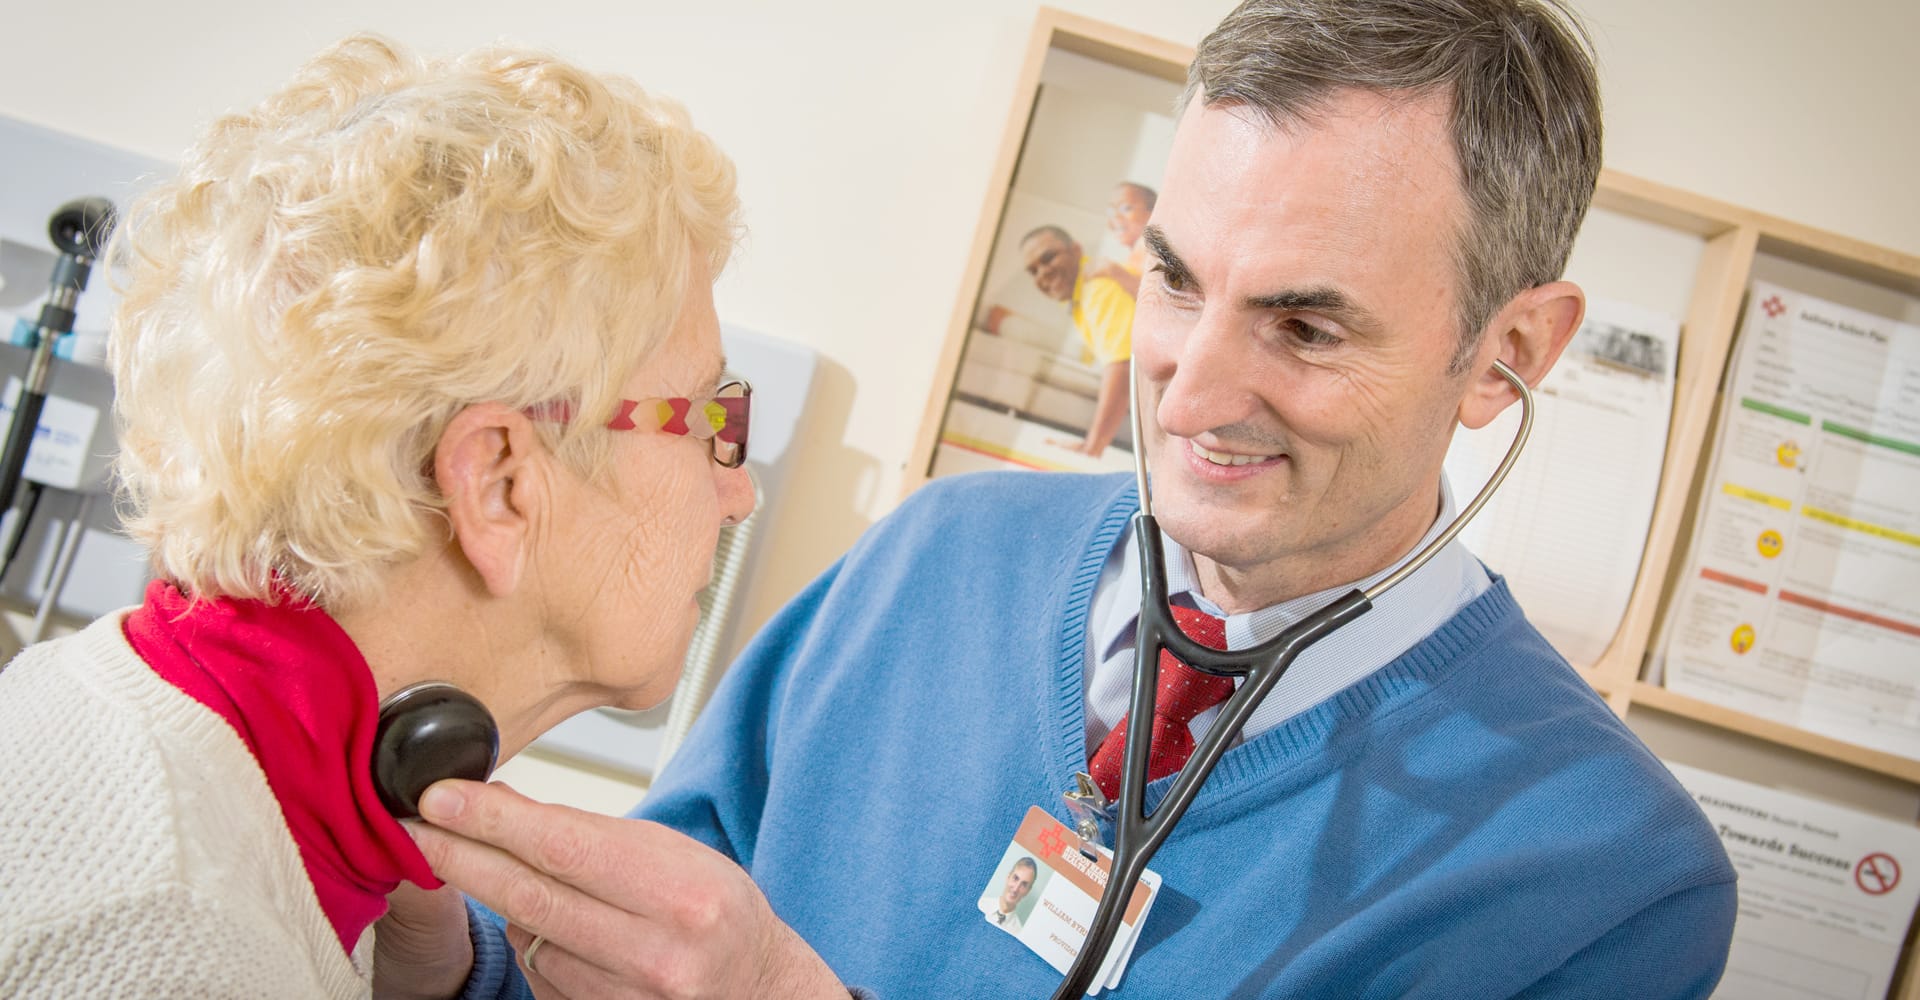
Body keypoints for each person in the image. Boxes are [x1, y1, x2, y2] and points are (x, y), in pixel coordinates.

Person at [391, 1, 1738, 997]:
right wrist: (442, 956)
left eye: (1306, 330)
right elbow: (607, 973)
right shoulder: (935, 556)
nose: (1189, 393)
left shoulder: (1604, 882)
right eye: (1174, 280)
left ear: (1509, 353)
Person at [0, 33, 757, 999]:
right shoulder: (161, 948)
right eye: (711, 417)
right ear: (498, 485)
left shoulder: (197, 766)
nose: (734, 490)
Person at [984, 224, 1135, 457]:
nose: (1042, 273)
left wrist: (1092, 447)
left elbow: (1122, 369)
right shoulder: (1081, 300)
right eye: (1033, 271)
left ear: (1076, 250)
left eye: (1048, 258)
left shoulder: (1098, 288)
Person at [1104, 180, 1158, 295]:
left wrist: (1112, 271)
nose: (1115, 216)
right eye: (1111, 210)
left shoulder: (1151, 245)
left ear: (1153, 212)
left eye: (1126, 208)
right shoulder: (1135, 255)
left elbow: (1156, 298)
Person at [978, 857, 1039, 935]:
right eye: (1015, 878)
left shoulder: (1018, 932)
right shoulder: (982, 904)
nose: (1016, 889)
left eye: (1024, 884)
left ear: (1028, 891)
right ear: (1008, 877)